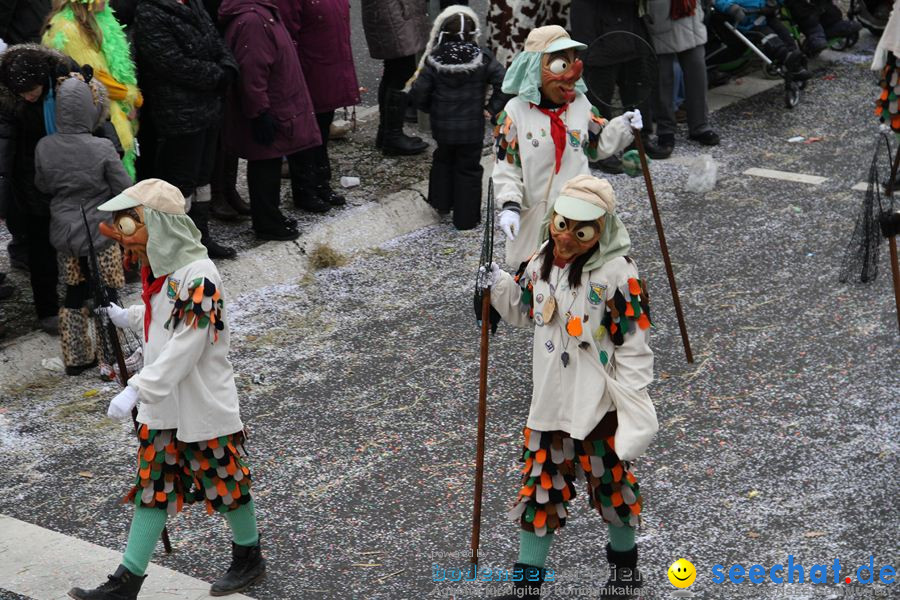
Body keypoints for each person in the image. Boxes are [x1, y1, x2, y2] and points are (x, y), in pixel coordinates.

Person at [68, 178, 264, 600]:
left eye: (131, 225)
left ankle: (249, 554)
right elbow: (164, 319)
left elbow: (187, 343)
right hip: (164, 406)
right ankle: (127, 581)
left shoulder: (201, 274)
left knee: (225, 481)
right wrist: (129, 316)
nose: (127, 243)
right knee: (153, 485)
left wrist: (138, 388)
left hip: (199, 403)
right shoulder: (162, 273)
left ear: (158, 226)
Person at [482, 174, 654, 600]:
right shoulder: (541, 259)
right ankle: (526, 589)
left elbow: (633, 348)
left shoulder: (619, 274)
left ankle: (625, 576)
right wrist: (498, 284)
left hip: (595, 408)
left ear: (601, 230)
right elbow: (525, 311)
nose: (565, 238)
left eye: (580, 231)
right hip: (548, 405)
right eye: (561, 224)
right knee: (540, 493)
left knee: (613, 491)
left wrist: (632, 405)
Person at [492, 25, 641, 268]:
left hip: (578, 216)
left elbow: (596, 147)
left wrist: (623, 126)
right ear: (535, 68)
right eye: (561, 64)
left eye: (573, 63)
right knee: (534, 281)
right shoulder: (514, 114)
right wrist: (510, 206)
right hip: (535, 218)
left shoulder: (580, 104)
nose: (571, 74)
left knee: (577, 280)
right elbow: (506, 168)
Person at [34, 73, 131, 375]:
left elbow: (42, 184)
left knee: (74, 293)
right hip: (100, 231)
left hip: (64, 232)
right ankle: (111, 353)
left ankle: (77, 357)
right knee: (107, 292)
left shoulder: (44, 146)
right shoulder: (101, 147)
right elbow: (123, 187)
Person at [132, 0, 238, 259]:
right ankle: (177, 246)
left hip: (208, 107)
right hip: (178, 112)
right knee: (181, 183)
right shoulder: (150, 12)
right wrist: (217, 75)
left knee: (203, 177)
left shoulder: (193, 3)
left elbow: (214, 39)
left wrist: (227, 66)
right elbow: (171, 63)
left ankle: (200, 236)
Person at [219, 0, 325, 242]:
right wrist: (259, 112)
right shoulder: (254, 21)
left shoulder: (262, 13)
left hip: (275, 104)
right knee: (265, 163)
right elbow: (252, 70)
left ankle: (271, 217)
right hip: (269, 107)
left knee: (270, 161)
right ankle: (267, 223)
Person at [0, 43, 80, 334]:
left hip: (70, 176)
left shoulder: (67, 84)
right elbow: (5, 151)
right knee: (41, 250)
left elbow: (93, 122)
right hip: (30, 180)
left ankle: (82, 298)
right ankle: (46, 309)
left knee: (79, 244)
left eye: (32, 90)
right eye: (22, 93)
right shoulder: (9, 103)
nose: (29, 96)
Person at [407, 5, 506, 230]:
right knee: (469, 168)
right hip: (472, 127)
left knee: (443, 160)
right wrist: (492, 108)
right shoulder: (482, 57)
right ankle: (466, 219)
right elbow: (505, 83)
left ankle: (441, 203)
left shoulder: (434, 59)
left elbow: (419, 91)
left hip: (442, 126)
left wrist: (430, 108)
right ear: (473, 34)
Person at [42, 0, 142, 178]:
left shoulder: (101, 17)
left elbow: (121, 67)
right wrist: (130, 96)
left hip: (115, 112)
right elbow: (93, 76)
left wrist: (130, 102)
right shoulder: (66, 29)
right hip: (95, 120)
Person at [278, 0, 360, 208]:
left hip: (329, 68)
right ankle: (305, 189)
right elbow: (288, 34)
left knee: (322, 130)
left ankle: (321, 183)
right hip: (307, 71)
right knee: (306, 134)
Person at [570, 0, 668, 169]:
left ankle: (638, 140)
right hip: (596, 29)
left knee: (637, 92)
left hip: (629, 27)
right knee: (599, 98)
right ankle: (600, 150)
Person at [646, 0, 720, 156]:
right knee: (662, 81)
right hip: (659, 17)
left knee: (697, 76)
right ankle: (665, 130)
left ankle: (700, 125)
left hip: (690, 16)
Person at [360, 0, 429, 156]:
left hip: (394, 9)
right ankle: (392, 135)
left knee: (395, 69)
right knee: (401, 70)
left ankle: (387, 132)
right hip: (394, 10)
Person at [713, 0, 811, 81]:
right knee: (769, 37)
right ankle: (787, 57)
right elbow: (718, 1)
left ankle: (794, 58)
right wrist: (732, 8)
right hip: (749, 23)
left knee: (784, 33)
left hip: (765, 14)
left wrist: (774, 3)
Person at [784, 0, 862, 56]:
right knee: (808, 18)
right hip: (807, 16)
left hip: (825, 15)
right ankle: (816, 37)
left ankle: (829, 30)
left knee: (829, 9)